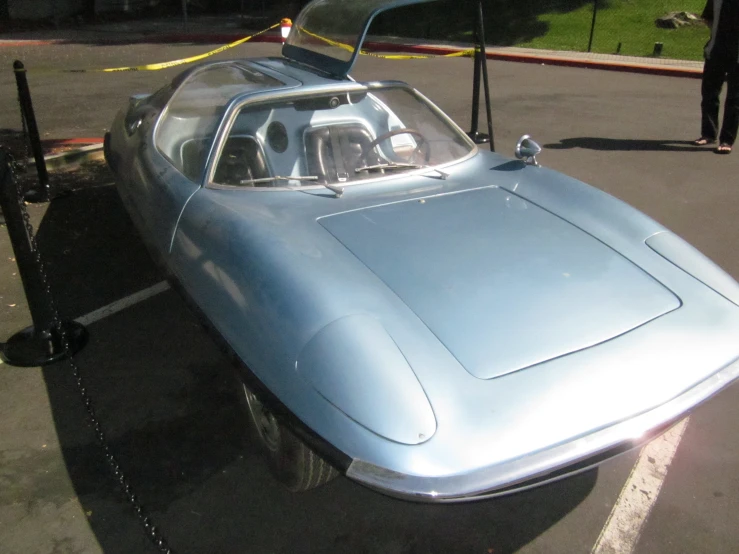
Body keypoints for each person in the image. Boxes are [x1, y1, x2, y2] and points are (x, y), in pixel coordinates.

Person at [695, 0, 739, 154]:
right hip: (716, 50)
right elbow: (708, 17)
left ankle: (727, 140)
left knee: (734, 99)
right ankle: (708, 134)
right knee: (709, 93)